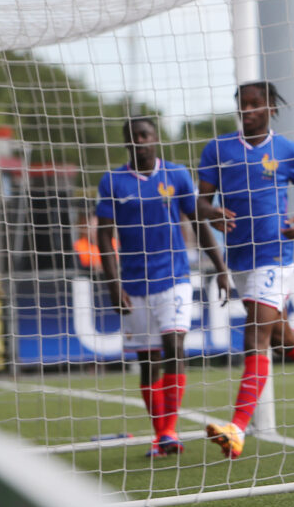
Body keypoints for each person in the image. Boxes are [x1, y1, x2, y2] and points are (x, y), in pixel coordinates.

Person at [197, 81, 294, 459]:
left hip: (275, 256)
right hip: (240, 258)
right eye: (242, 105)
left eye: (254, 105)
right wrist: (212, 213)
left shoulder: (287, 151)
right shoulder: (217, 149)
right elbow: (199, 202)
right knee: (280, 334)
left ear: (271, 109)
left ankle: (237, 428)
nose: (247, 111)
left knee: (256, 337)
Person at [95, 117, 231, 457]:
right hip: (134, 282)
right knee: (147, 360)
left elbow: (198, 222)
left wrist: (221, 268)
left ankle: (169, 429)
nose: (141, 141)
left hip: (174, 276)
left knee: (175, 343)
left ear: (155, 138)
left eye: (146, 135)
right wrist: (114, 286)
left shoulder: (177, 175)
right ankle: (161, 435)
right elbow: (103, 235)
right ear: (127, 142)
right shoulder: (113, 181)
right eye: (134, 137)